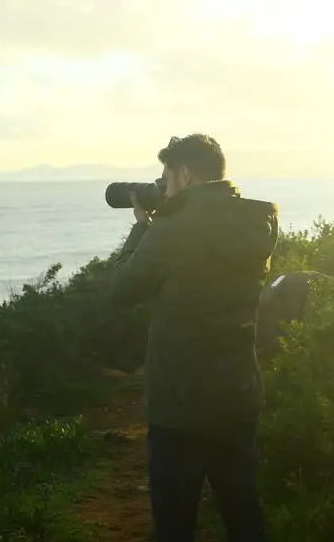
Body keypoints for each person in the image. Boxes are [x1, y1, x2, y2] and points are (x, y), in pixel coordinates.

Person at [110, 134, 277, 542]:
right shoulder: (257, 221)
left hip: (180, 405)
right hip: (238, 393)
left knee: (174, 523)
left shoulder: (172, 230)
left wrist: (142, 231)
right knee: (243, 513)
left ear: (184, 174)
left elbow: (120, 290)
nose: (163, 186)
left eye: (166, 177)